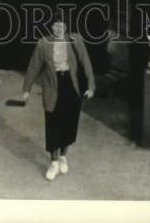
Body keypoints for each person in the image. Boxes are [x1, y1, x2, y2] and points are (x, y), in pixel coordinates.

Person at [22, 16, 95, 181]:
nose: (58, 29)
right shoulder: (43, 44)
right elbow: (33, 67)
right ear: (50, 27)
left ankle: (63, 156)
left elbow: (86, 62)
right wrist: (26, 89)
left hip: (72, 86)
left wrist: (91, 85)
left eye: (62, 25)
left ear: (66, 27)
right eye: (55, 26)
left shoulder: (75, 40)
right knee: (54, 125)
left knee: (69, 124)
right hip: (52, 88)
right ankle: (53, 162)